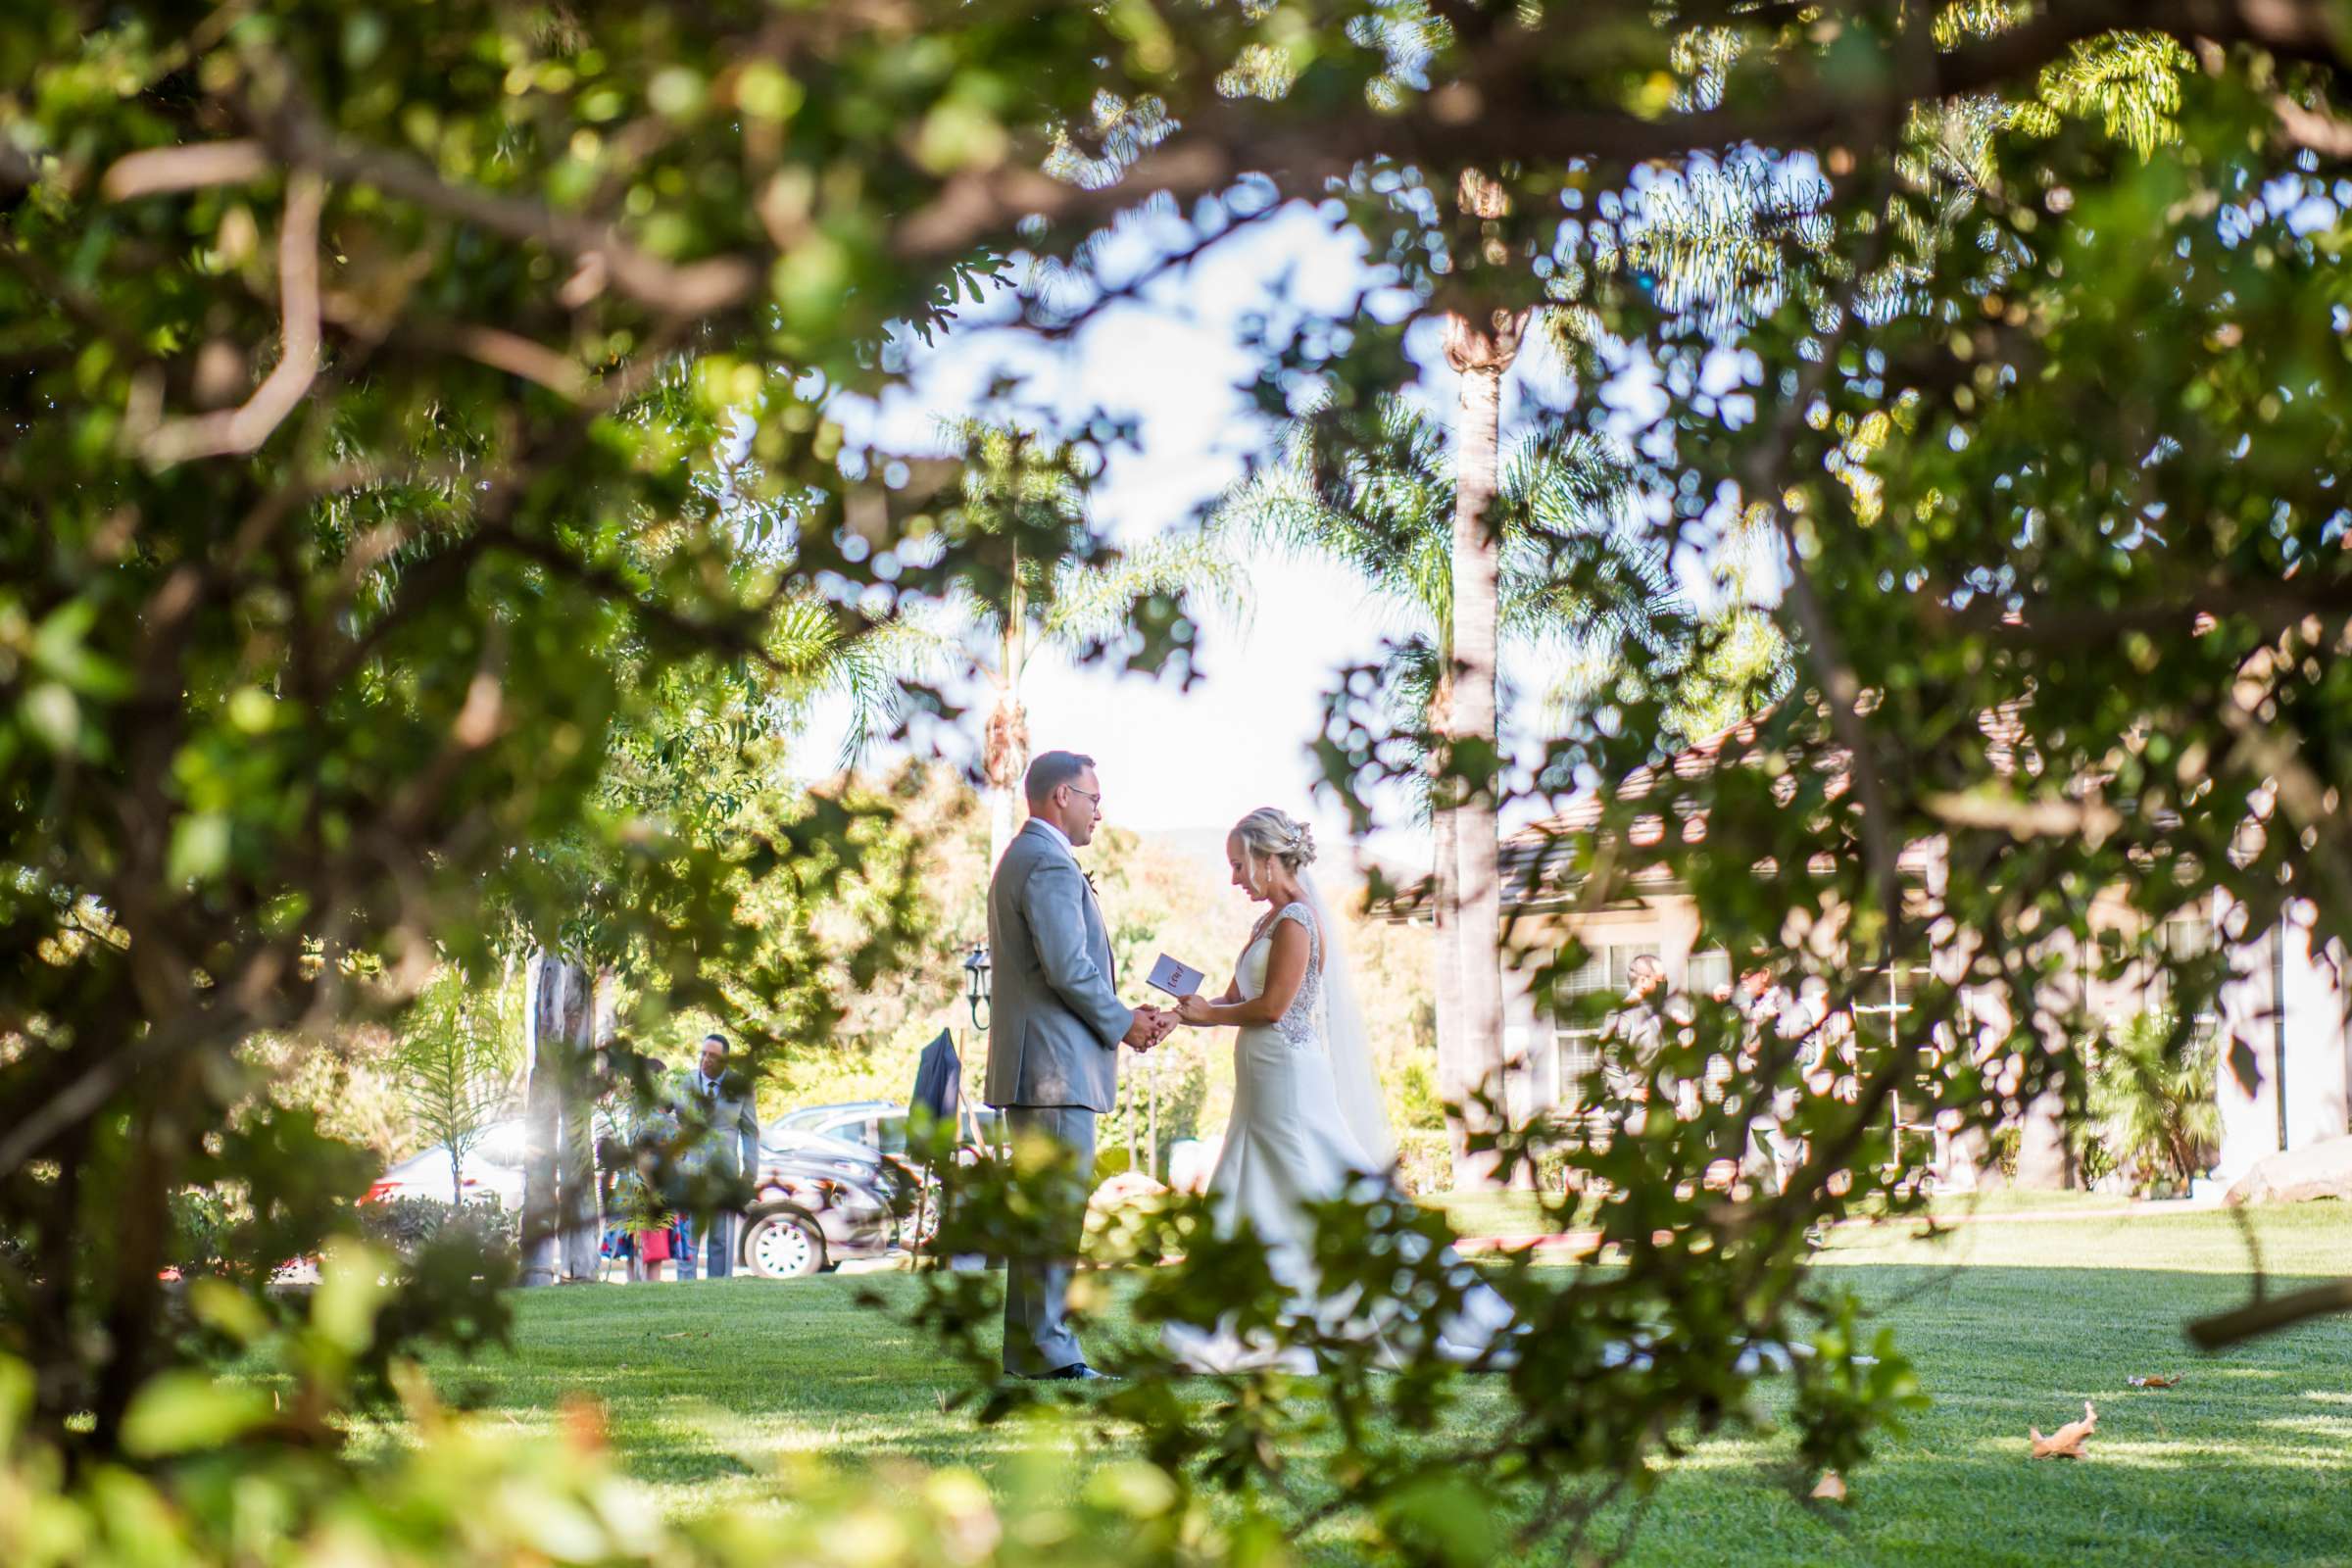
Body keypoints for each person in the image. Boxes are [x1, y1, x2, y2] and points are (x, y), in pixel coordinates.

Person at [1164, 807, 1515, 1373]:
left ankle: (1340, 1304)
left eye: (1237, 865)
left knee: (1310, 1180)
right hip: (1260, 1078)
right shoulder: (1266, 922)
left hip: (1287, 1076)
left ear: (1266, 858)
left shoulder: (1298, 920)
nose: (1232, 879)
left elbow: (1274, 1007)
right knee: (1258, 1182)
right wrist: (1181, 1015)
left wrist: (1214, 1013)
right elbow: (1232, 1000)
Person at [982, 751, 1174, 1380]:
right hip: (1053, 1072)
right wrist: (1124, 1022)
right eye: (1094, 797)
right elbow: (1068, 969)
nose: (1100, 810)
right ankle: (1053, 1354)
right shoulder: (1046, 863)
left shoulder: (1024, 858)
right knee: (1056, 1217)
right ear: (1061, 795)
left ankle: (1027, 1351)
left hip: (1040, 1067)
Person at [671, 1032, 759, 1281]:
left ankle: (719, 1286)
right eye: (703, 1053)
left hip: (725, 1172)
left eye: (713, 1055)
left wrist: (749, 1174)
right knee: (688, 1234)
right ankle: (684, 1286)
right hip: (690, 1172)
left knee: (721, 1236)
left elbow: (750, 1132)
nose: (706, 1059)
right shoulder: (684, 1084)